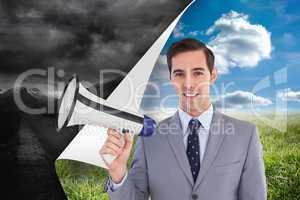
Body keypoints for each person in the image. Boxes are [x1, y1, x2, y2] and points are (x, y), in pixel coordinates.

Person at [99, 38, 267, 200]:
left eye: (198, 73)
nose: (188, 83)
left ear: (213, 74)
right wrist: (118, 174)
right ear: (171, 78)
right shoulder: (149, 137)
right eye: (179, 74)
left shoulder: (245, 134)